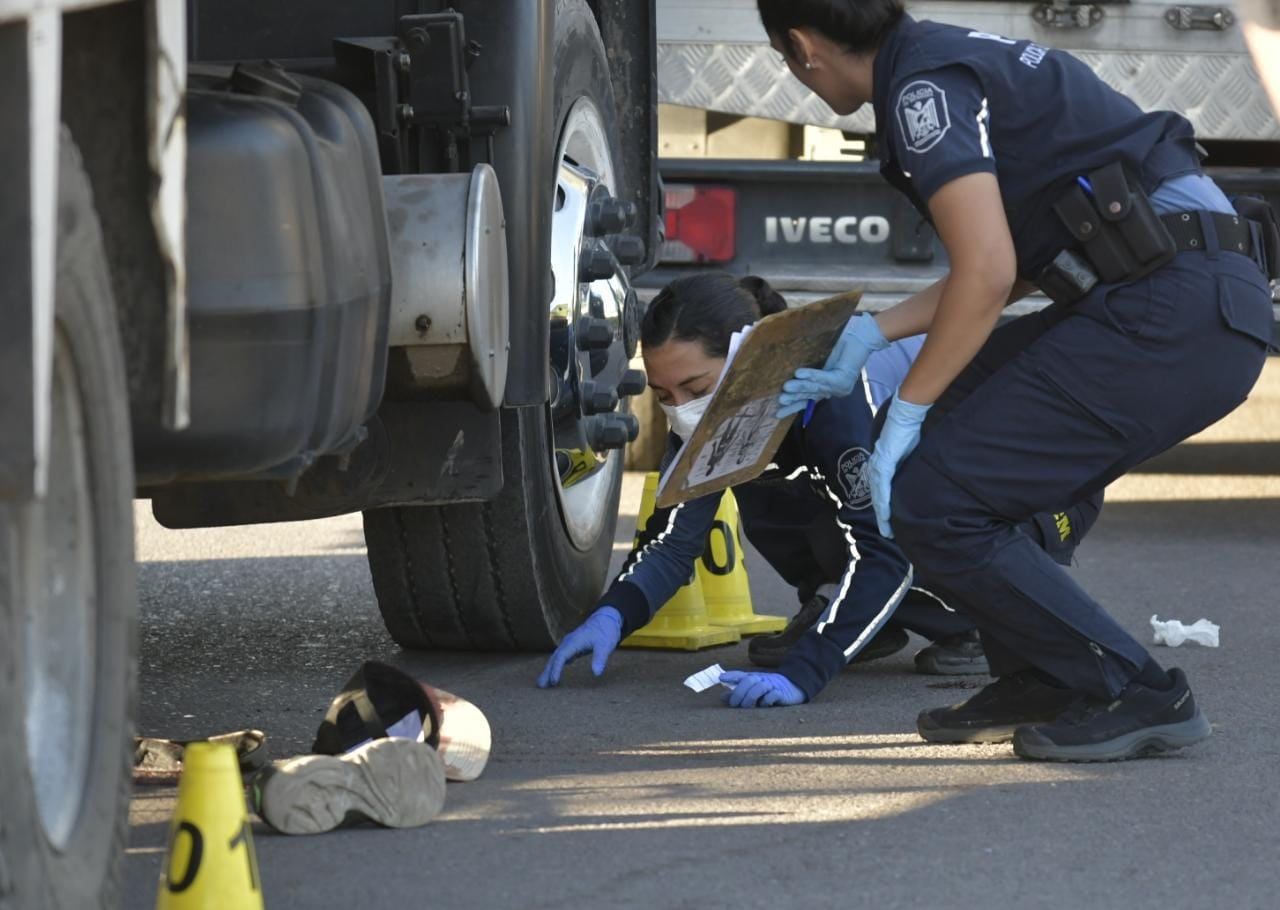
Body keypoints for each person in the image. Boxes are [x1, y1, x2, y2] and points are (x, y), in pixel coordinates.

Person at [762, 0, 1276, 758]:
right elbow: (1022, 259)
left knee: (933, 492)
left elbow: (990, 272)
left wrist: (907, 405)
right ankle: (1043, 671)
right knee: (944, 457)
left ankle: (1134, 688)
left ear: (803, 46)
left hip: (1175, 308)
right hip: (1173, 293)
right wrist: (875, 332)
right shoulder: (939, 57)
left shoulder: (919, 90)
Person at [536, 273, 1099, 707]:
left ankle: (980, 621)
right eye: (662, 393)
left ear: (751, 360)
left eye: (695, 387)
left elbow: (886, 552)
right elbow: (672, 541)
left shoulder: (838, 391)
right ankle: (865, 618)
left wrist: (810, 667)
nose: (680, 411)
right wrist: (612, 613)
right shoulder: (708, 417)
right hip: (932, 497)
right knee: (768, 487)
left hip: (1042, 499)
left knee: (890, 520)